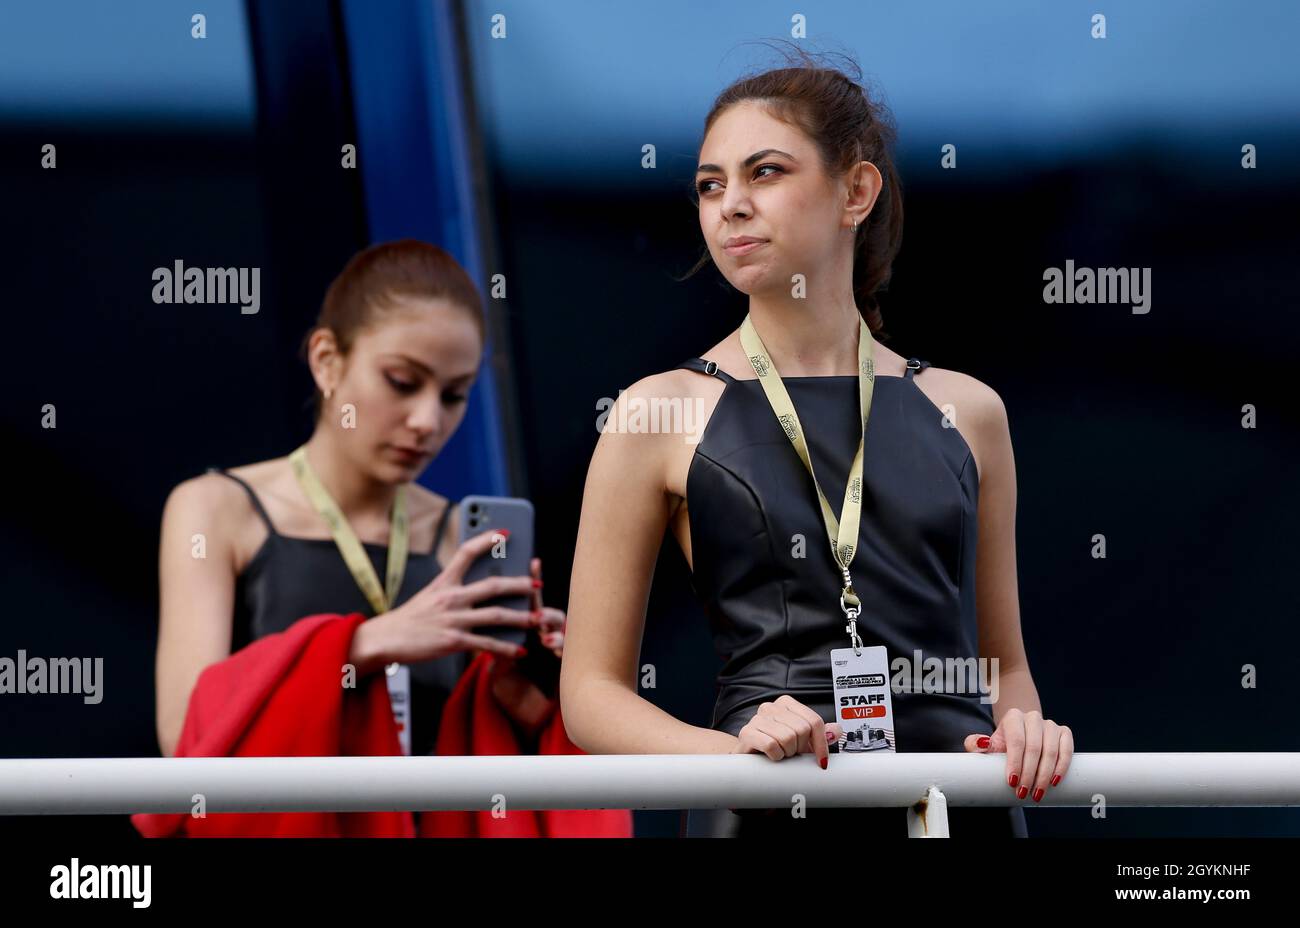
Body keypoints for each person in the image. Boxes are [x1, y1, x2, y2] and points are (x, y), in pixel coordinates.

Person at [560, 46, 1073, 837]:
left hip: (953, 802)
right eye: (709, 184)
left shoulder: (969, 409)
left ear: (856, 190)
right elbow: (590, 693)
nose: (730, 204)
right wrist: (726, 756)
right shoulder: (654, 410)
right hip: (770, 801)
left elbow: (1002, 666)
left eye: (764, 172)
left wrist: (1027, 726)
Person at [153, 239, 566, 774]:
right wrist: (363, 644)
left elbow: (488, 769)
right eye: (402, 382)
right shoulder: (218, 509)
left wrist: (524, 694)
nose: (426, 421)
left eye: (453, 395)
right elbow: (186, 734)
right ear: (326, 361)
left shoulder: (457, 538)